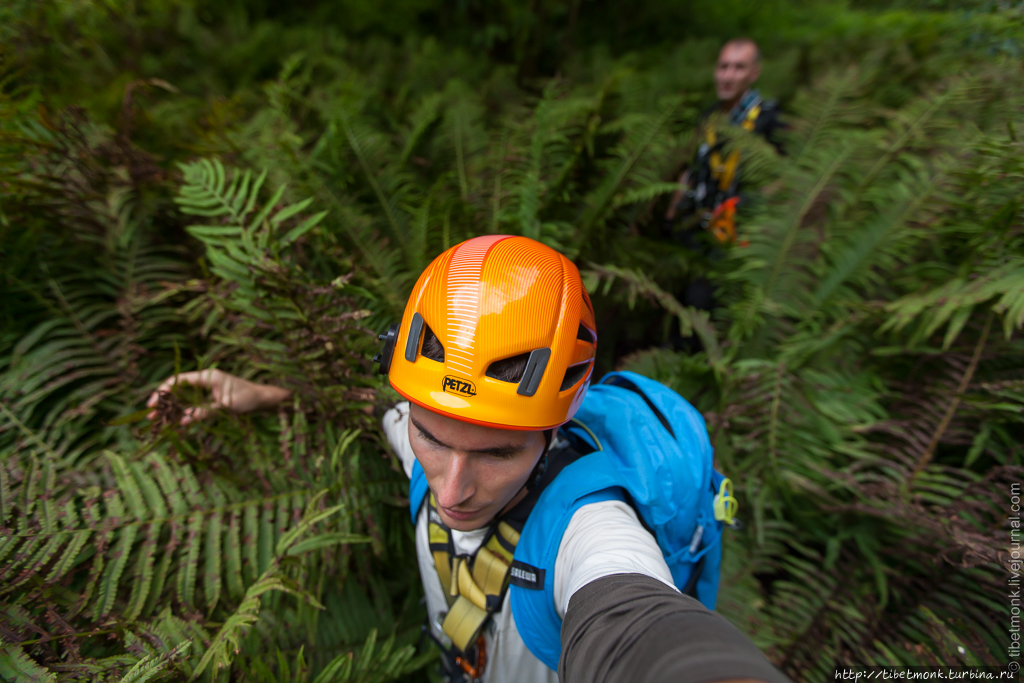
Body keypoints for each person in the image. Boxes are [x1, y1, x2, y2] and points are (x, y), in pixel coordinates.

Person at [147, 235, 791, 683]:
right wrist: (260, 396)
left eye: (498, 452)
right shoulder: (415, 432)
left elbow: (634, 620)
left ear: (551, 429)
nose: (452, 488)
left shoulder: (592, 527)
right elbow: (381, 416)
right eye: (431, 437)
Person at [665, 38, 784, 313]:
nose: (727, 76)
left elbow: (784, 177)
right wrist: (671, 214)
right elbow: (691, 169)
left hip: (737, 240)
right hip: (695, 231)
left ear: (754, 73)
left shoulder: (768, 120)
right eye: (723, 67)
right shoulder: (709, 117)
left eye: (738, 68)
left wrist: (757, 219)